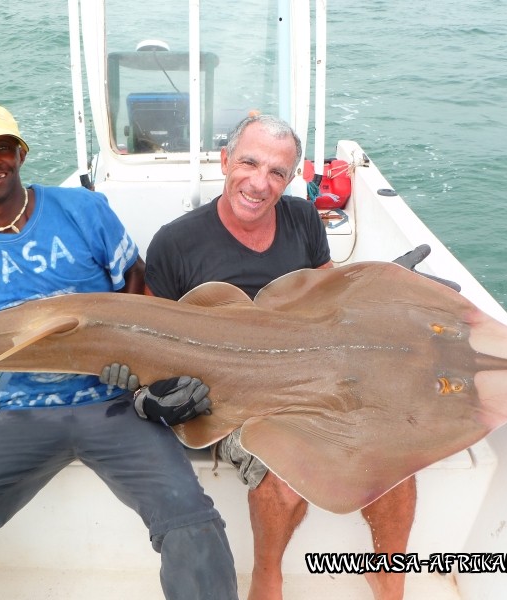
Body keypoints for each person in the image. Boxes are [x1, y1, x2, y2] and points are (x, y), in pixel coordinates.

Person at [0, 100, 237, 600]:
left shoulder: (82, 210)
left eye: (3, 147)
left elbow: (138, 288)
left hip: (115, 402)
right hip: (25, 410)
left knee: (190, 520)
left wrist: (139, 370)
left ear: (20, 154)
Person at [143, 115, 416, 600]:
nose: (259, 182)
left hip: (312, 368)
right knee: (284, 476)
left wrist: (386, 288)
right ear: (225, 161)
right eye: (249, 162)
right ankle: (267, 576)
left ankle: (388, 572)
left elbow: (332, 295)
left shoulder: (302, 218)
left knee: (394, 450)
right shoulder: (175, 242)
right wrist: (154, 395)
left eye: (276, 172)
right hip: (230, 389)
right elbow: (152, 339)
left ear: (291, 180)